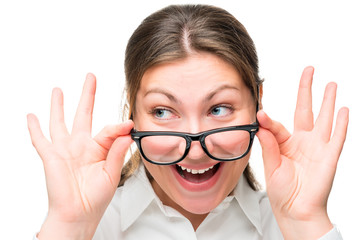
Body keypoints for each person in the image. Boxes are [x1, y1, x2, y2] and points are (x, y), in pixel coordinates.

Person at [28, 4, 349, 240]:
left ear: (257, 103)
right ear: (131, 112)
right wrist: (68, 226)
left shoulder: (295, 227)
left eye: (219, 109)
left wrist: (306, 223)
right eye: (163, 112)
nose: (196, 149)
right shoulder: (90, 226)